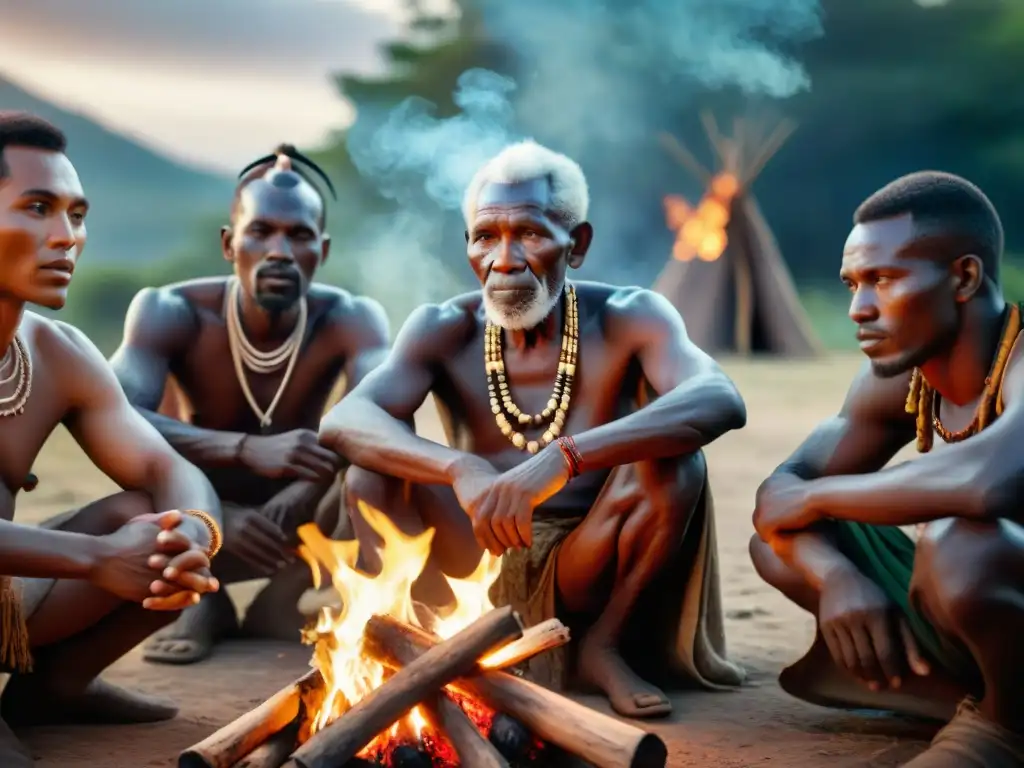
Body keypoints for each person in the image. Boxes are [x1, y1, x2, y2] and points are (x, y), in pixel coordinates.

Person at [319, 140, 747, 719]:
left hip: (588, 559)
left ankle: (602, 645)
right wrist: (460, 466)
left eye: (530, 234)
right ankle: (420, 642)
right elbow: (344, 420)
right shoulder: (444, 326)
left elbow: (718, 398)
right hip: (474, 548)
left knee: (673, 462)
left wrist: (562, 457)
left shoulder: (630, 314)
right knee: (371, 473)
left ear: (579, 243)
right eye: (485, 237)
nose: (505, 259)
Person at [751, 171, 1024, 765]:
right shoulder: (900, 379)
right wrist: (835, 577)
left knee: (958, 543)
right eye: (852, 283)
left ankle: (1006, 728)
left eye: (883, 279)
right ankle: (962, 700)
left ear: (964, 277)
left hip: (991, 571)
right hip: (988, 612)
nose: (858, 308)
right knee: (783, 545)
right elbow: (778, 496)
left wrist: (820, 499)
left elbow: (987, 481)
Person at [110, 145, 390, 666]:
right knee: (136, 475)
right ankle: (203, 600)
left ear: (322, 252)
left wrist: (304, 488)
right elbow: (115, 418)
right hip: (197, 499)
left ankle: (279, 601)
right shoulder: (169, 309)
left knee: (375, 478)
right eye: (261, 231)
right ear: (229, 242)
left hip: (301, 511)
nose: (279, 250)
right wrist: (236, 468)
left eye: (299, 235)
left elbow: (383, 414)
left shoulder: (351, 318)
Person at [0, 112, 223, 766]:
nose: (68, 237)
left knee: (151, 521)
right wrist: (96, 559)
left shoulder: (56, 351)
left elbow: (162, 463)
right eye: (38, 209)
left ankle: (55, 689)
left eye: (76, 214)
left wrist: (194, 536)